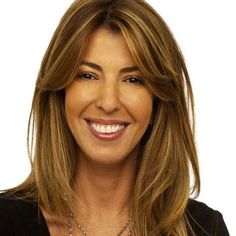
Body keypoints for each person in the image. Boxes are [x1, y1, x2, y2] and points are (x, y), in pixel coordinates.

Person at [0, 0, 229, 235]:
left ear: (158, 103)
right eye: (88, 75)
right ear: (61, 94)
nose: (108, 103)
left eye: (133, 79)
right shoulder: (5, 221)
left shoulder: (204, 228)